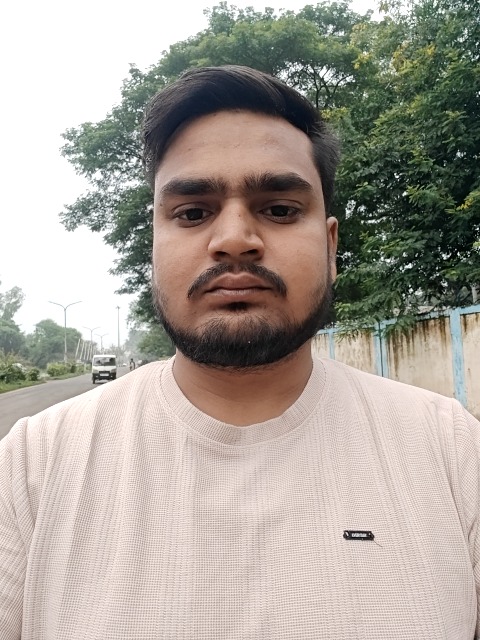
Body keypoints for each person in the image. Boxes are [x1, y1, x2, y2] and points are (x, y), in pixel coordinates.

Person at [0, 66, 479, 640]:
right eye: (192, 212)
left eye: (279, 209)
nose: (233, 240)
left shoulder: (451, 450)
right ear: (154, 247)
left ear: (331, 247)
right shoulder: (33, 464)